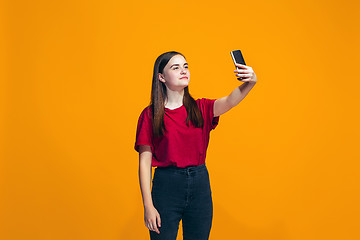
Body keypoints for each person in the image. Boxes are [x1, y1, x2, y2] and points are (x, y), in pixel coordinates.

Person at [134, 51, 257, 240]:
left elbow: (231, 101)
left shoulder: (202, 108)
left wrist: (250, 82)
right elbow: (144, 162)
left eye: (186, 66)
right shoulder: (150, 115)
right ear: (161, 77)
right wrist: (148, 206)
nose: (183, 71)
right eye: (175, 67)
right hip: (166, 186)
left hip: (200, 185)